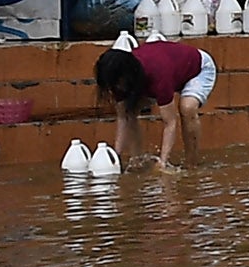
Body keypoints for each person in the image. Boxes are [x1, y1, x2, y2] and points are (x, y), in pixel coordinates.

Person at [92, 32, 219, 167]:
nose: (116, 88)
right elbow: (124, 118)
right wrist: (115, 157)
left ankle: (191, 163)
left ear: (127, 76)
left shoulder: (157, 76)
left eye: (117, 83)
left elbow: (170, 123)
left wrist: (163, 162)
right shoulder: (116, 80)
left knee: (187, 107)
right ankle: (137, 158)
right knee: (130, 111)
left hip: (199, 68)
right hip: (170, 71)